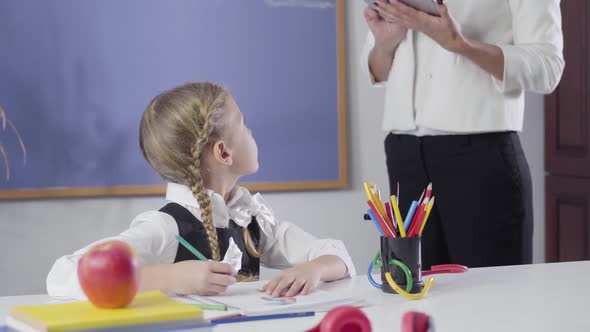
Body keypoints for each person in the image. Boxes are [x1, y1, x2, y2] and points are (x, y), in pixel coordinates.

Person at [47, 82, 355, 298]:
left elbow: (335, 252)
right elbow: (63, 275)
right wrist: (170, 277)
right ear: (223, 153)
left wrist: (314, 269)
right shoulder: (166, 227)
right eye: (244, 125)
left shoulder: (249, 218)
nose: (251, 132)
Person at [362, 0, 564, 268]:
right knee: (411, 291)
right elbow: (378, 72)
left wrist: (461, 45)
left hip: (480, 156)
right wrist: (385, 43)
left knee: (492, 299)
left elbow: (548, 68)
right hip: (405, 154)